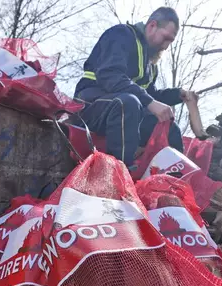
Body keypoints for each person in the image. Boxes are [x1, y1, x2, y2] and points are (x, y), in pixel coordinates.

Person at [73, 7, 196, 170]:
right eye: (165, 38)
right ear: (152, 25)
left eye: (170, 42)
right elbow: (110, 75)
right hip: (90, 105)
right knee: (128, 103)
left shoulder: (150, 66)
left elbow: (150, 95)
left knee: (169, 127)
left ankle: (175, 179)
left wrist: (178, 94)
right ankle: (117, 174)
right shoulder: (121, 35)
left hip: (127, 111)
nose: (166, 46)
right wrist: (149, 102)